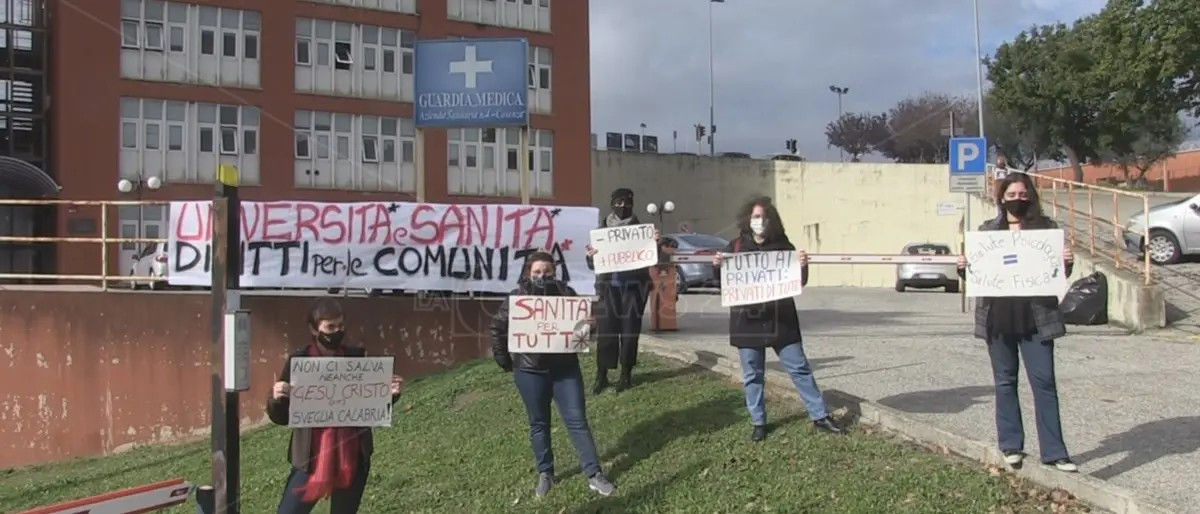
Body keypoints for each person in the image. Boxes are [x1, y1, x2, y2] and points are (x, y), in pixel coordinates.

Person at [957, 172, 1078, 472]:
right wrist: (964, 268)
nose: (1017, 200)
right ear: (1001, 199)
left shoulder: (1047, 230)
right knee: (1005, 382)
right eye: (1011, 195)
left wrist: (1067, 261)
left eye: (1023, 195)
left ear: (1032, 196)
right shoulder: (987, 232)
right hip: (998, 320)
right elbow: (976, 277)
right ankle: (1011, 446)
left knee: (1044, 384)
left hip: (1037, 319)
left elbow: (1058, 275)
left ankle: (1055, 452)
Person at [712, 196, 843, 442]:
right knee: (752, 374)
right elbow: (722, 282)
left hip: (780, 319)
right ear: (746, 220)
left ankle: (819, 416)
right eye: (755, 216)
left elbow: (798, 281)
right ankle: (758, 422)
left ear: (771, 220)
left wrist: (803, 265)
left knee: (799, 368)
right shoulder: (735, 247)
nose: (759, 221)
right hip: (747, 321)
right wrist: (717, 266)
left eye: (763, 216)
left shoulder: (783, 246)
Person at [491, 251, 616, 498]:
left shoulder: (567, 295)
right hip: (529, 371)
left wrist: (590, 325)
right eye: (537, 272)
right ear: (528, 273)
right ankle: (545, 473)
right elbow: (498, 328)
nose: (542, 276)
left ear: (554, 272)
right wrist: (505, 361)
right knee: (539, 424)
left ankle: (594, 474)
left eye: (547, 272)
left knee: (577, 421)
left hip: (565, 370)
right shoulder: (517, 298)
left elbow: (582, 329)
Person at [266, 298, 405, 514]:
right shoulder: (299, 361)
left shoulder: (357, 358)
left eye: (340, 325)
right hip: (310, 459)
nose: (337, 331)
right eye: (330, 327)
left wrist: (390, 395)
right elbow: (282, 416)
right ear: (314, 329)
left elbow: (369, 408)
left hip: (352, 456)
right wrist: (276, 398)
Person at [585, 187, 664, 394]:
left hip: (634, 290)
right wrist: (591, 255)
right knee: (606, 332)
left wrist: (656, 244)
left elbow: (655, 259)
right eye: (618, 203)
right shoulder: (601, 232)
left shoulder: (642, 231)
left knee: (630, 332)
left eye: (627, 203)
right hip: (608, 288)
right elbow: (593, 265)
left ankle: (626, 373)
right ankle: (601, 375)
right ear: (612, 204)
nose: (623, 207)